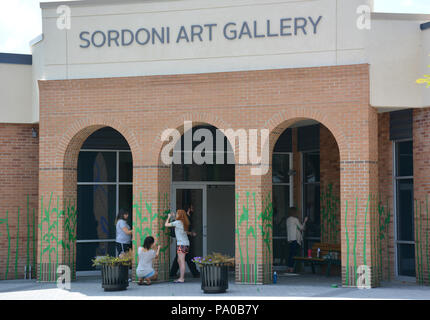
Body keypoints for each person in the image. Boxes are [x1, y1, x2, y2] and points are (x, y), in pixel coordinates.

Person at [169, 205, 200, 278]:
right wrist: (192, 233)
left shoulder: (182, 220)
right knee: (186, 258)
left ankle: (173, 273)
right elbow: (186, 230)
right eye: (192, 208)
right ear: (188, 210)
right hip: (185, 242)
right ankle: (191, 274)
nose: (193, 209)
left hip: (182, 242)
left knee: (182, 258)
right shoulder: (185, 220)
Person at [165, 209, 190, 283]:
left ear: (180, 215)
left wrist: (168, 217)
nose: (176, 214)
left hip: (181, 244)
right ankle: (181, 277)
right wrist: (173, 216)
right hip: (185, 243)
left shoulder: (178, 222)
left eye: (177, 214)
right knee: (179, 260)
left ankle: (181, 278)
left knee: (181, 261)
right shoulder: (184, 222)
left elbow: (166, 225)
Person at [286, 207, 308, 273]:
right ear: (294, 212)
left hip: (290, 239)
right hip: (295, 239)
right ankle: (291, 268)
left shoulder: (288, 219)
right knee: (293, 254)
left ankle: (289, 267)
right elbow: (301, 228)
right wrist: (305, 221)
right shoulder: (295, 219)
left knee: (290, 254)